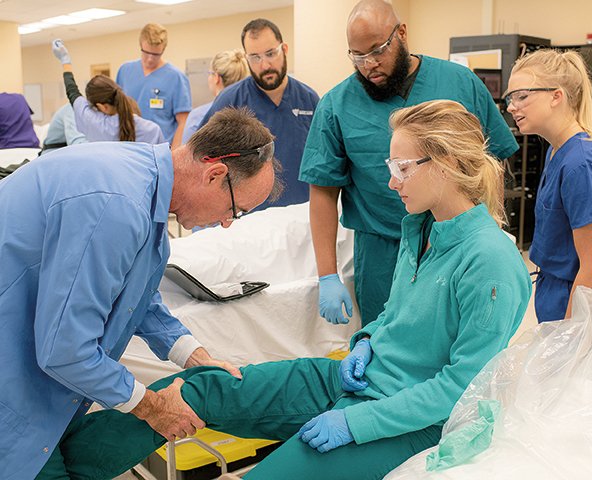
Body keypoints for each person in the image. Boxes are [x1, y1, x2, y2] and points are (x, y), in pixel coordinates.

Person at [35, 100, 532, 480]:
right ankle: (55, 468)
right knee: (198, 388)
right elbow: (393, 320)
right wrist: (365, 343)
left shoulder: (490, 261)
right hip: (357, 379)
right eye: (390, 166)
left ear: (444, 164)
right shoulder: (418, 229)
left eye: (402, 168)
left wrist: (354, 425)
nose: (391, 181)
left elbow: (463, 388)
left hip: (408, 418)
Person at [0, 107, 282, 480]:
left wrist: (194, 357)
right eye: (236, 209)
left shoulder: (143, 182)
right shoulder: (119, 205)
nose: (227, 222)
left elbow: (137, 297)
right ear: (215, 174)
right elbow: (65, 350)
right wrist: (153, 407)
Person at [299, 0, 519, 327]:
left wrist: (494, 231)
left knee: (461, 338)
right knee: (387, 347)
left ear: (401, 33)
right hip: (382, 254)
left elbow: (493, 161)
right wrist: (327, 275)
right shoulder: (336, 105)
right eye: (357, 56)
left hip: (458, 242)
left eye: (377, 50)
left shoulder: (460, 84)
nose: (368, 64)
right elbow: (323, 191)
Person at [505, 49, 592, 322]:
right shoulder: (557, 151)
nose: (511, 106)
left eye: (522, 96)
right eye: (510, 98)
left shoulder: (581, 164)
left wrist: (569, 336)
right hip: (559, 291)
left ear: (556, 96)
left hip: (585, 302)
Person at [200, 18, 320, 209]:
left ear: (285, 49)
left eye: (271, 54)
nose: (264, 65)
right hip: (249, 221)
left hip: (302, 216)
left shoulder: (310, 100)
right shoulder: (230, 101)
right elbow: (202, 158)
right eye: (255, 57)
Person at [52, 39, 164, 144]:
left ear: (102, 107)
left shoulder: (95, 123)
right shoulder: (151, 129)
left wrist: (65, 60)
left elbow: (72, 91)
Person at [116, 23, 192, 149]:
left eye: (156, 54)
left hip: (158, 150)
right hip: (128, 147)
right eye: (146, 53)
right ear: (140, 45)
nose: (150, 59)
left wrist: (173, 153)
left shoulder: (176, 77)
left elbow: (183, 121)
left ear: (164, 49)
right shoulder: (125, 70)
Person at [181, 49, 249, 144]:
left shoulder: (198, 116)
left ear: (216, 77)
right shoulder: (250, 114)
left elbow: (187, 153)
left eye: (209, 73)